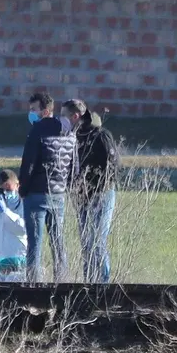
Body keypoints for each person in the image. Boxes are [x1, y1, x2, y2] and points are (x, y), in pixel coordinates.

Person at [19, 92, 77, 283]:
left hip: (36, 194)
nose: (31, 114)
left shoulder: (37, 130)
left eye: (33, 110)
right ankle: (62, 283)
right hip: (59, 194)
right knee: (58, 243)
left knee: (34, 244)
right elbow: (72, 163)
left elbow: (28, 164)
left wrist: (22, 190)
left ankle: (32, 287)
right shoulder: (67, 130)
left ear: (45, 111)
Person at [62, 99, 119, 283]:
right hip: (82, 198)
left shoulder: (100, 136)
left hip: (101, 195)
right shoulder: (74, 138)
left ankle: (102, 285)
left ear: (75, 116)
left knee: (97, 242)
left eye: (64, 116)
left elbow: (113, 167)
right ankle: (88, 284)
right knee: (86, 244)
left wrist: (95, 187)